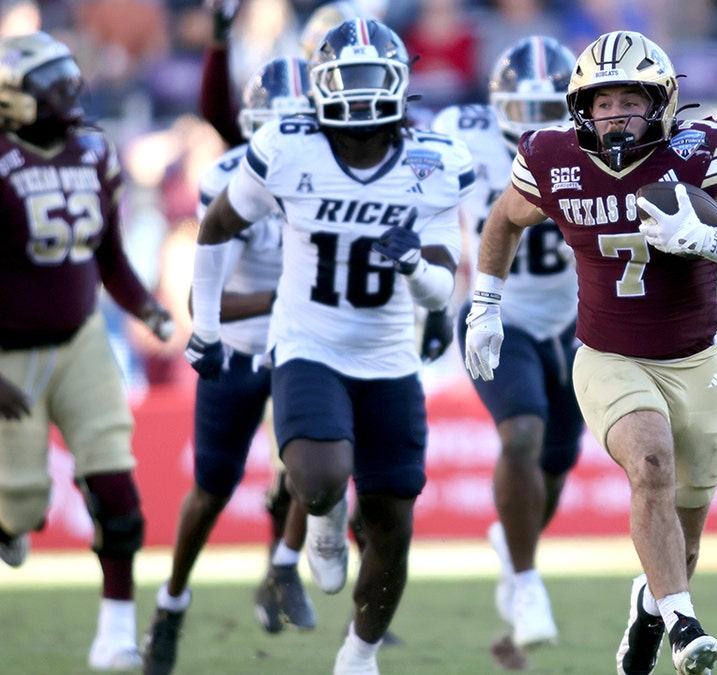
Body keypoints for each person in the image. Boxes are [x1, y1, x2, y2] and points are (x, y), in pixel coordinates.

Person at [463, 30, 717, 675]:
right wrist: (486, 304)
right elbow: (503, 221)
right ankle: (684, 627)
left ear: (659, 103)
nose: (614, 117)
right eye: (602, 104)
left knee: (683, 534)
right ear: (581, 106)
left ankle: (651, 600)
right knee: (651, 464)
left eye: (629, 102)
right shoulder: (554, 157)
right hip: (609, 357)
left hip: (695, 360)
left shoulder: (702, 149)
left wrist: (705, 237)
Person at [185, 18, 472, 674]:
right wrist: (204, 325)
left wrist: (414, 267)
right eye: (349, 81)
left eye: (374, 79)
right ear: (318, 85)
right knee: (317, 478)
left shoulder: (433, 162)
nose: (363, 96)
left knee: (392, 525)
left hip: (389, 354)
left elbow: (437, 292)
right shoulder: (288, 146)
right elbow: (218, 223)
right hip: (308, 341)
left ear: (400, 84)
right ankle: (318, 515)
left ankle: (359, 653)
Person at [0, 30, 174, 670]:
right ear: (16, 96)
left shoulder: (95, 152)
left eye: (71, 75)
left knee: (118, 495)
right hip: (8, 354)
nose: (71, 88)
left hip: (80, 341)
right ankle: (10, 523)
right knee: (20, 504)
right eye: (55, 79)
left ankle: (115, 634)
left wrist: (147, 307)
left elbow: (108, 256)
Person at [141, 56, 317, 675]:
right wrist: (287, 295)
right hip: (240, 346)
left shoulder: (335, 169)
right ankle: (171, 603)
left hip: (301, 345)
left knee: (315, 460)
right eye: (280, 126)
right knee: (211, 491)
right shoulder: (229, 175)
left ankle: (283, 568)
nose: (293, 139)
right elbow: (199, 298)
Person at [431, 35, 583, 657]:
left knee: (555, 463)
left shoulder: (601, 145)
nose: (539, 129)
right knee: (520, 433)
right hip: (502, 312)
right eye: (525, 112)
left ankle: (515, 552)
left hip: (580, 318)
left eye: (551, 112)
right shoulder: (459, 133)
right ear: (497, 108)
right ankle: (524, 582)